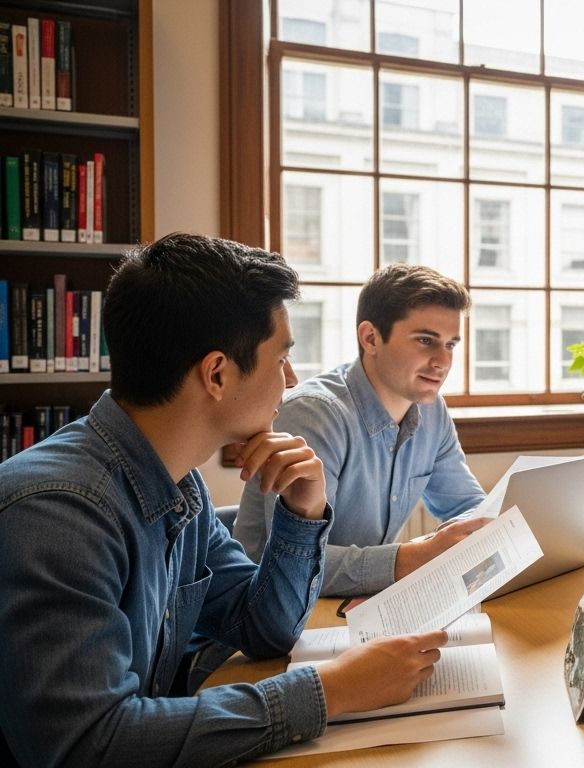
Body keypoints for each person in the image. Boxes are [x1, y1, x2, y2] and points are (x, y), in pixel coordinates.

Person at [0, 234, 450, 765]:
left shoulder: (177, 482)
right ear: (216, 374)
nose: (291, 379)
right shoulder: (58, 513)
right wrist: (331, 691)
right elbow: (87, 744)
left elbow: (263, 628)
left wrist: (303, 512)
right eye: (281, 357)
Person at [235, 263, 489, 597]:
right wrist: (414, 557)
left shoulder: (431, 410)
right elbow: (291, 563)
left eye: (450, 344)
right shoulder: (314, 415)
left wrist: (485, 533)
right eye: (426, 340)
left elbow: (467, 507)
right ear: (370, 338)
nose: (443, 361)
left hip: (356, 605)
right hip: (269, 614)